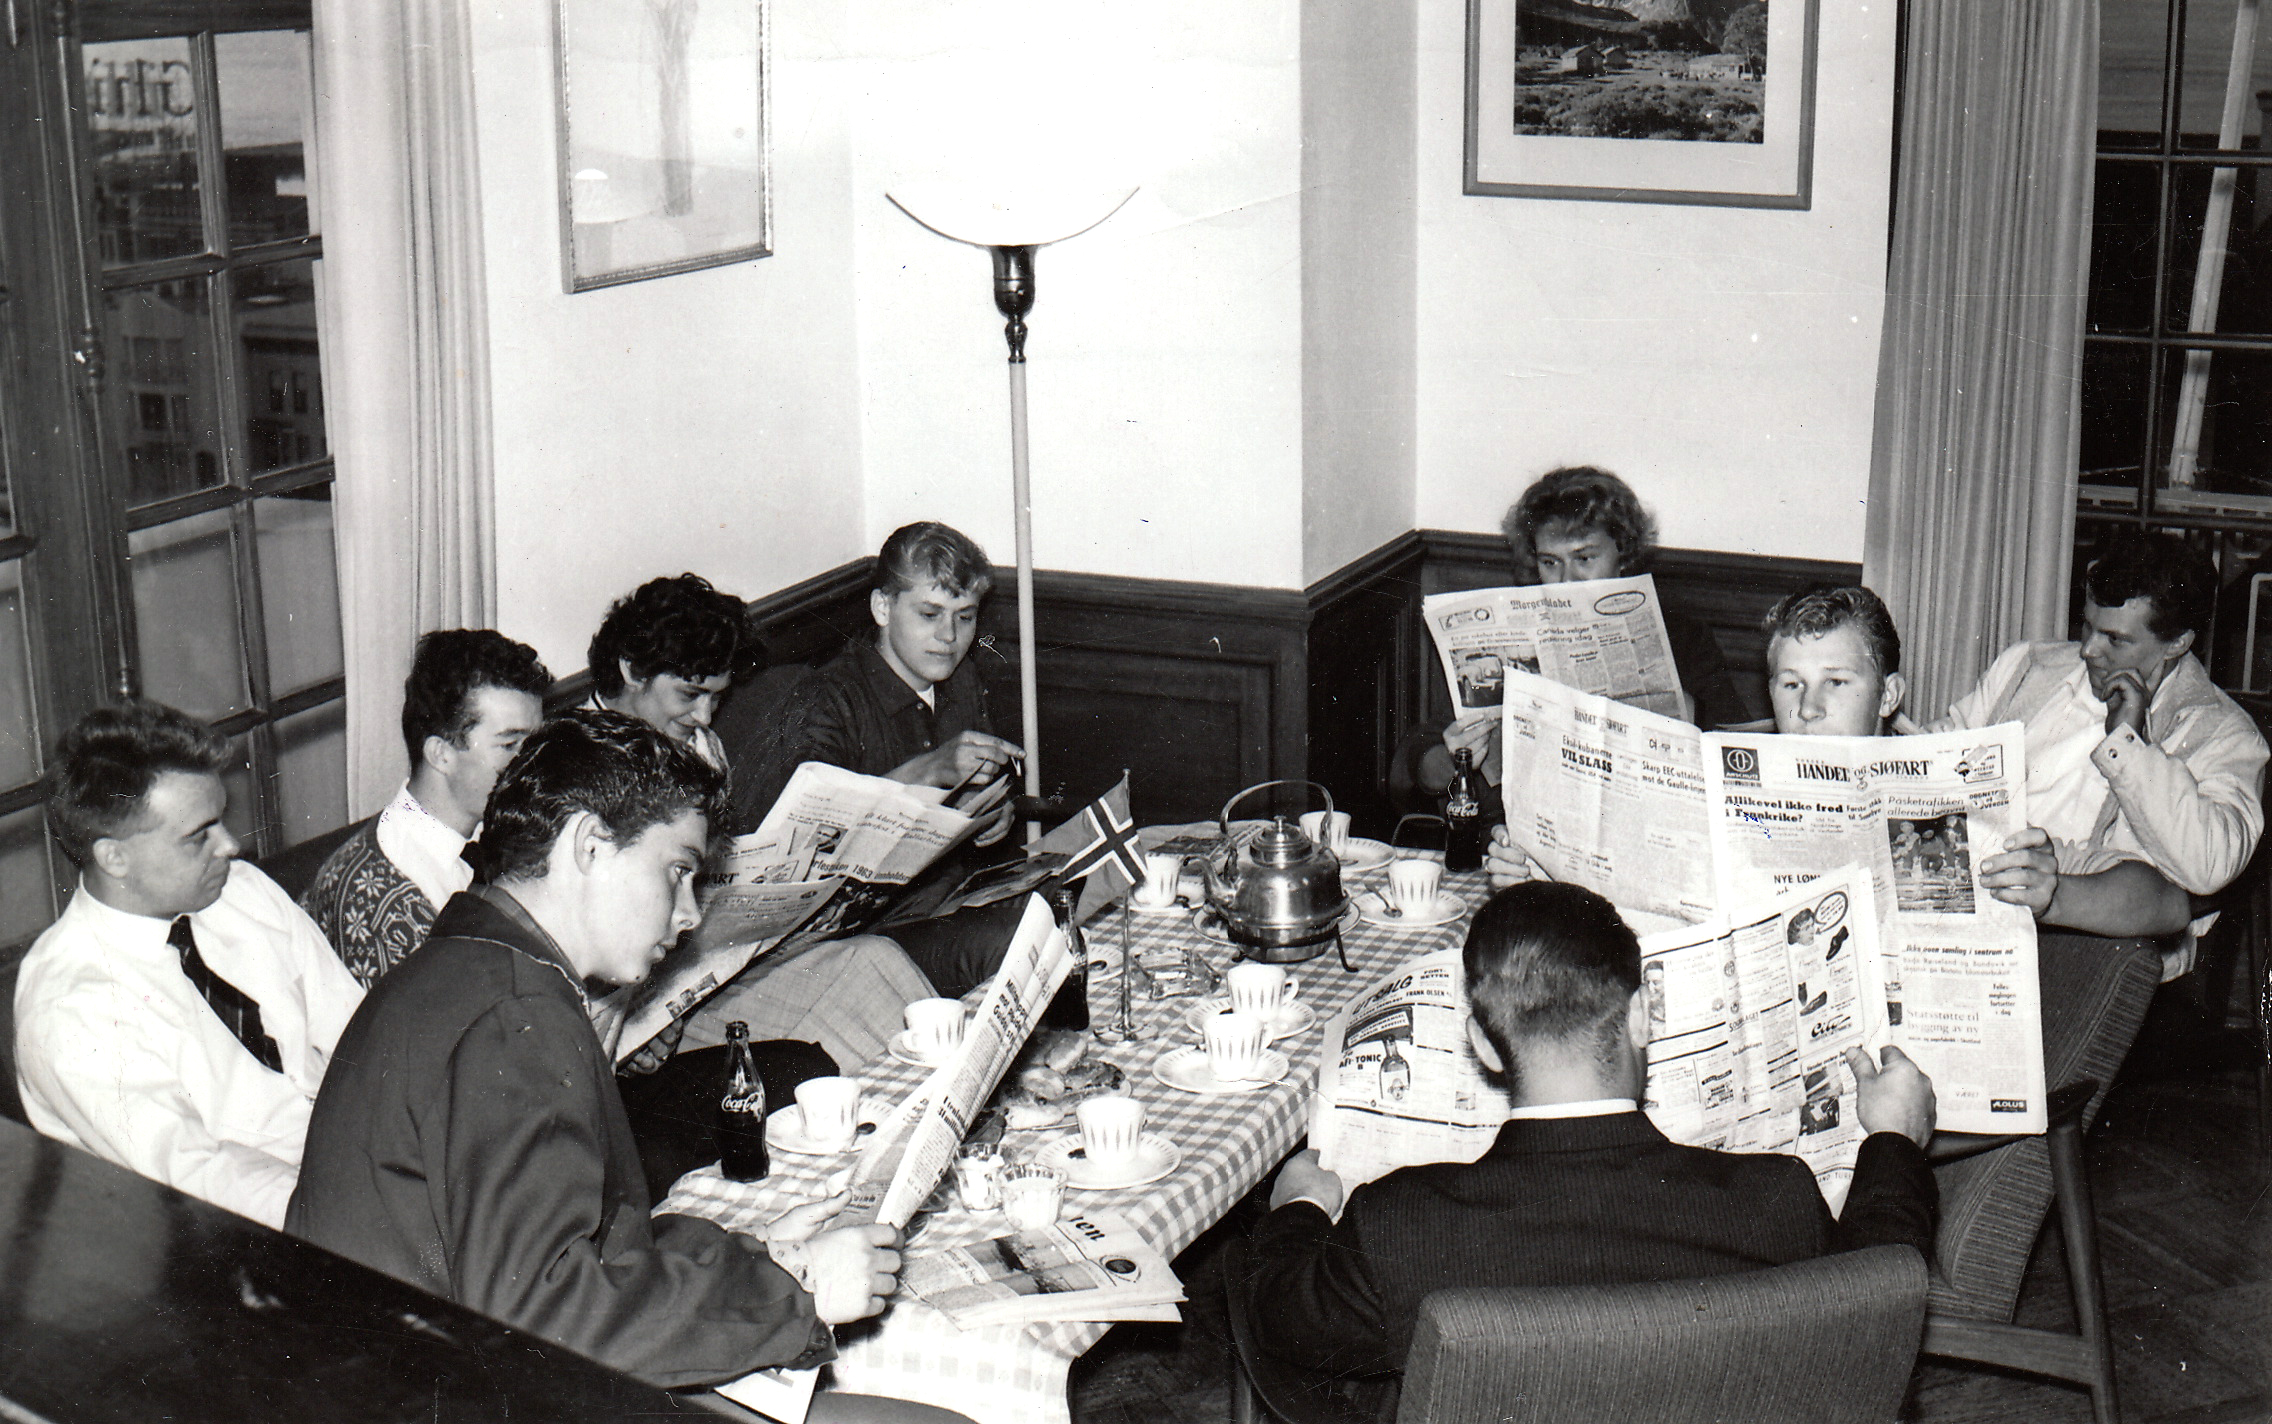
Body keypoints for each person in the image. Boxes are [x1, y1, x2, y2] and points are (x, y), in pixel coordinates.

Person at [286, 709, 918, 1400]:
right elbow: (543, 1319)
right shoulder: (515, 1016)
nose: (689, 915)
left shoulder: (464, 966)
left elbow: (567, 1256)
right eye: (677, 872)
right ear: (589, 845)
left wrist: (765, 1262)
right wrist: (799, 1295)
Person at [1245, 881, 1937, 1400]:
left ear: (1484, 1046)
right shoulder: (1775, 1199)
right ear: (1642, 1017)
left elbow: (1279, 1315)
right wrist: (1895, 1142)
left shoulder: (1402, 1224)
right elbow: (1881, 1290)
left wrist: (1298, 1210)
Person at [1486, 584, 2195, 938]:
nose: (1809, 708)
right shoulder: (1724, 777)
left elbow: (2166, 902)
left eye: (1837, 683)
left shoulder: (1950, 789)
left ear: (1889, 694)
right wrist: (1543, 870)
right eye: (1790, 685)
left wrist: (2052, 892)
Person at [13, 700, 364, 1229]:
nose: (229, 845)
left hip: (363, 1160)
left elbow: (356, 1031)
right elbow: (198, 1177)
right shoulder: (69, 1009)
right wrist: (368, 1205)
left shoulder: (239, 893)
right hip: (254, 1237)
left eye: (221, 819)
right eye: (199, 835)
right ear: (115, 858)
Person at [724, 522, 1028, 998]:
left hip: (942, 899)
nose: (949, 636)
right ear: (882, 607)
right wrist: (929, 772)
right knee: (1012, 940)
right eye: (929, 614)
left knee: (1067, 895)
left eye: (965, 617)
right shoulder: (828, 699)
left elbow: (968, 810)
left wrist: (989, 815)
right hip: (844, 942)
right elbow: (804, 849)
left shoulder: (962, 678)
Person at [1923, 536, 2267, 934]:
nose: (2087, 649)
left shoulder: (2224, 733)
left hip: (2091, 935)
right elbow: (1950, 746)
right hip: (1972, 889)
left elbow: (2210, 865)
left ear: (2178, 643)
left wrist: (2128, 744)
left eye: (2115, 639)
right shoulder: (2027, 665)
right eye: (2087, 625)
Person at [1404, 468, 1750, 816]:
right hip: (1521, 826)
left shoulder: (1681, 635)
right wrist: (1453, 759)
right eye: (1550, 563)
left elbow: (1739, 744)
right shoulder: (1521, 632)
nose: (1566, 580)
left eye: (1585, 559)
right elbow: (1419, 758)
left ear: (1623, 556)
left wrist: (1682, 708)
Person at [299, 629, 551, 985]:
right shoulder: (379, 906)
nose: (533, 764)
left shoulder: (495, 831)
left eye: (535, 742)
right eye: (510, 745)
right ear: (441, 754)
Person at [587, 572, 754, 771]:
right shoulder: (579, 761)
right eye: (689, 694)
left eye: (717, 697)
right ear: (633, 671)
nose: (705, 718)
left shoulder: (701, 743)